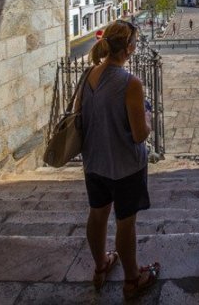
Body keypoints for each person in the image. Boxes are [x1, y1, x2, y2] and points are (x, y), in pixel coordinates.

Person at [81, 20, 160, 299]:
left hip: (94, 162)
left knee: (98, 214)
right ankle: (132, 279)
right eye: (135, 43)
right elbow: (140, 135)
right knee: (126, 222)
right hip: (125, 166)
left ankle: (100, 265)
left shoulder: (88, 75)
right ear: (128, 48)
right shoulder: (130, 83)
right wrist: (148, 118)